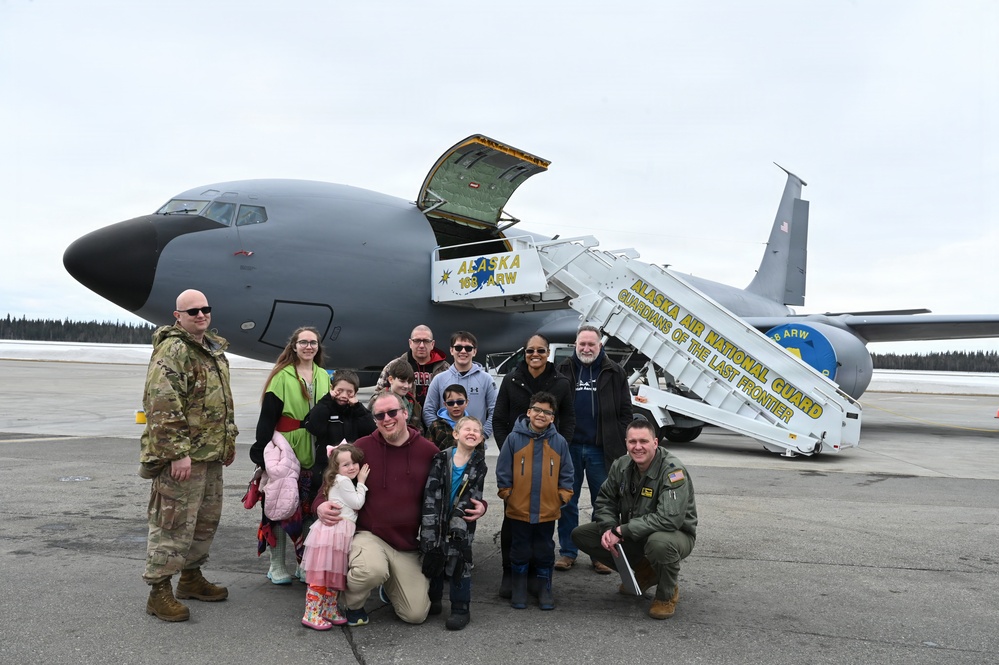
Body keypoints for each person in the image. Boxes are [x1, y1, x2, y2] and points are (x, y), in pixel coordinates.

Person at [314, 392, 488, 627]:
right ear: (374, 419)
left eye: (392, 412)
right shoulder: (362, 447)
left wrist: (481, 505)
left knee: (415, 614)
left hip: (407, 544)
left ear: (405, 413)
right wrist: (320, 505)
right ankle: (352, 605)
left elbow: (454, 485)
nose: (387, 418)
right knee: (371, 570)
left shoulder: (428, 451)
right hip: (370, 536)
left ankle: (390, 582)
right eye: (379, 415)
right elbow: (333, 477)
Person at [140, 289, 238, 622]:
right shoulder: (174, 349)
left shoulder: (212, 350)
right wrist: (177, 454)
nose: (200, 314)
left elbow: (220, 402)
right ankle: (159, 591)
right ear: (177, 316)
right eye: (192, 310)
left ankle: (191, 578)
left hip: (209, 455)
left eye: (205, 309)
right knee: (173, 524)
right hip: (184, 458)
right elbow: (161, 404)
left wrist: (228, 442)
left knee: (205, 521)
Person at [571, 418, 697, 620]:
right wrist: (609, 528)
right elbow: (605, 500)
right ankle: (645, 572)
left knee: (659, 544)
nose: (638, 447)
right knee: (582, 535)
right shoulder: (621, 465)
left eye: (643, 441)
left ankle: (667, 593)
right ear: (626, 443)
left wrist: (621, 531)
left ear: (655, 442)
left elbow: (669, 519)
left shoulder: (673, 471)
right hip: (635, 531)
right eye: (632, 442)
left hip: (675, 535)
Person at [492, 333, 575, 597]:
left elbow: (570, 420)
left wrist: (558, 449)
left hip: (548, 461)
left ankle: (538, 581)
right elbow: (499, 419)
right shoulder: (511, 379)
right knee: (513, 525)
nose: (535, 355)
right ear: (524, 353)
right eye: (530, 351)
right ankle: (511, 575)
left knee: (541, 532)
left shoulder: (561, 383)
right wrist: (513, 450)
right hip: (519, 463)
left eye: (540, 350)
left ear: (548, 352)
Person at [249, 326, 332, 585]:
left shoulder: (323, 376)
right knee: (280, 505)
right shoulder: (281, 377)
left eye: (313, 343)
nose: (309, 347)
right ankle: (277, 564)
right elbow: (268, 417)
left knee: (308, 507)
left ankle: (303, 563)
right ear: (294, 346)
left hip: (315, 448)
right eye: (303, 342)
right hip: (286, 446)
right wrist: (261, 450)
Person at [555, 324, 633, 574]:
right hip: (571, 448)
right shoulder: (563, 370)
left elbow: (626, 412)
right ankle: (567, 552)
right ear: (575, 345)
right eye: (582, 344)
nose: (586, 348)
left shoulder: (615, 372)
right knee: (568, 501)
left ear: (600, 346)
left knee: (603, 504)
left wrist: (619, 440)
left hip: (602, 450)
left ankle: (599, 554)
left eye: (591, 344)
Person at [495, 392, 573, 611]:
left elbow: (567, 472)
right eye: (537, 410)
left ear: (553, 418)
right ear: (529, 412)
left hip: (548, 511)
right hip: (519, 509)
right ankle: (519, 587)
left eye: (547, 412)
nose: (541, 414)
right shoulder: (513, 439)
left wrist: (562, 496)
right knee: (519, 548)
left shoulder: (559, 442)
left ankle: (544, 587)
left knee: (544, 549)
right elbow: (503, 470)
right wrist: (507, 494)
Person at [419, 416, 488, 630]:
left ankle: (460, 608)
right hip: (435, 517)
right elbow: (430, 491)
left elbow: (473, 495)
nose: (472, 432)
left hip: (462, 521)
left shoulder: (479, 464)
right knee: (435, 556)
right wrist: (430, 522)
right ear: (456, 434)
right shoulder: (440, 458)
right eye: (467, 428)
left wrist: (459, 521)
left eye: (477, 430)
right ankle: (434, 599)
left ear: (481, 438)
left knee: (459, 561)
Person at [300, 444, 370, 630]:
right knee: (323, 575)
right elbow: (357, 503)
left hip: (335, 533)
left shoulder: (338, 480)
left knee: (331, 573)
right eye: (346, 464)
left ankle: (328, 609)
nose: (352, 467)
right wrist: (362, 483)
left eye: (354, 462)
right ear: (336, 468)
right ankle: (312, 613)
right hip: (334, 533)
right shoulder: (345, 481)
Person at [305, 370, 376, 498]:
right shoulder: (325, 406)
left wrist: (358, 408)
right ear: (332, 388)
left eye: (349, 392)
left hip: (350, 470)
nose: (344, 395)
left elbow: (371, 430)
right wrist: (327, 400)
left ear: (355, 393)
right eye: (340, 390)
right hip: (325, 468)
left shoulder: (358, 411)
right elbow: (314, 427)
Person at [422, 331, 497, 439]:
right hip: (444, 446)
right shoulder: (439, 379)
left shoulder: (486, 379)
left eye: (468, 348)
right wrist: (441, 435)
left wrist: (482, 435)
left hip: (475, 444)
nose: (463, 351)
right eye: (458, 348)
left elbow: (495, 411)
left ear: (474, 351)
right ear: (451, 350)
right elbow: (428, 410)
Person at [375, 324, 450, 405]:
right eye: (417, 341)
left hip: (436, 416)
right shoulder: (394, 366)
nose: (421, 345)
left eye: (426, 341)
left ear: (432, 344)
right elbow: (378, 394)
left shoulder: (445, 369)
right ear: (410, 343)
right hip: (404, 416)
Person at [371, 357, 423, 433]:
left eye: (409, 382)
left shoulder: (413, 404)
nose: (406, 386)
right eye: (402, 381)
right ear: (391, 379)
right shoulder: (377, 401)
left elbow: (419, 430)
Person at [425, 384, 468, 450]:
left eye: (460, 402)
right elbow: (427, 450)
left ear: (466, 402)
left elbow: (479, 453)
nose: (455, 406)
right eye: (451, 403)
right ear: (445, 404)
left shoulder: (473, 425)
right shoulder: (435, 426)